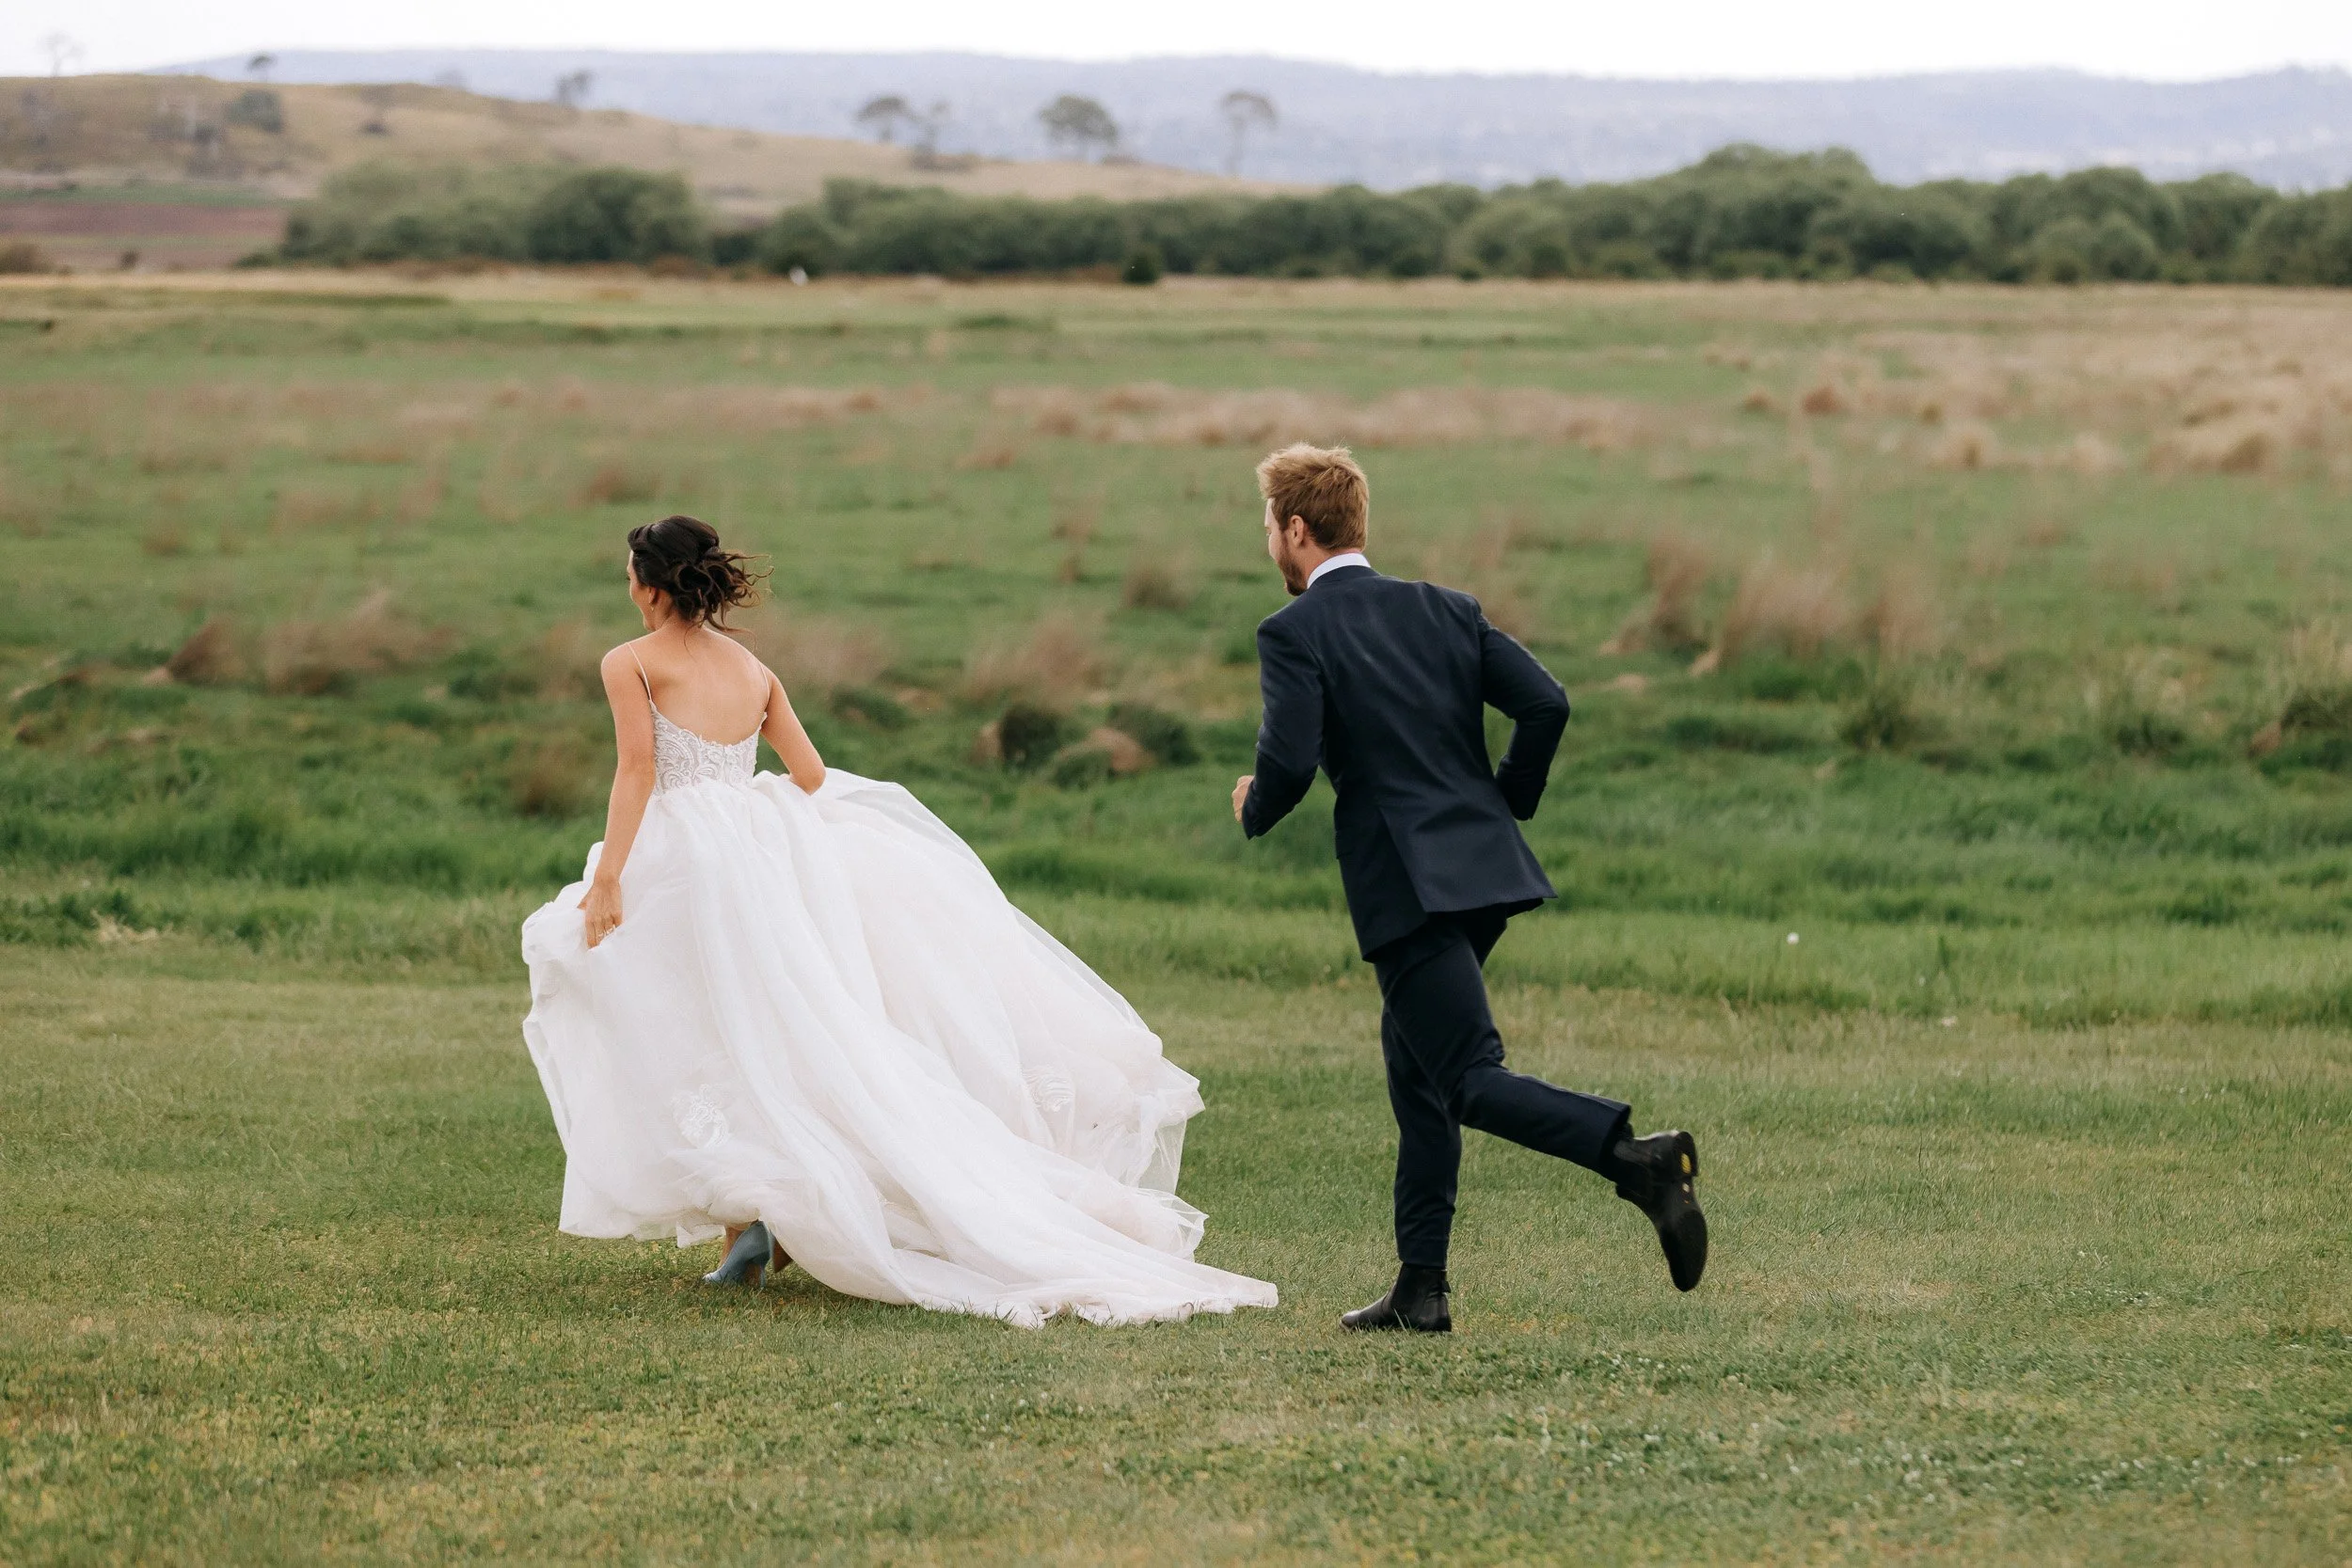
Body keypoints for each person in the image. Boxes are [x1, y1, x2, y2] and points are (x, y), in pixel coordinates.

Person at [520, 514, 1275, 1327]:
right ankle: (758, 1218)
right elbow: (806, 773)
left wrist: (608, 877)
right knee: (779, 1031)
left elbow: (638, 769)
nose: (628, 593)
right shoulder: (753, 669)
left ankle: (752, 1213)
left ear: (652, 585)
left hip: (686, 864)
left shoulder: (629, 661)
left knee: (688, 1017)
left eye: (630, 578)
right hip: (761, 860)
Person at [1231, 446, 1706, 1335]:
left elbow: (1290, 761)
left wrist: (1253, 803)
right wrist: (1507, 799)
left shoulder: (1292, 632)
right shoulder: (1447, 610)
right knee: (1418, 1072)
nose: (1269, 542)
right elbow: (1546, 703)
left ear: (1297, 530)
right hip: (1481, 873)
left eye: (1269, 527)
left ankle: (1638, 1158)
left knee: (1466, 1078)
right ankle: (1422, 1288)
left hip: (1407, 888)